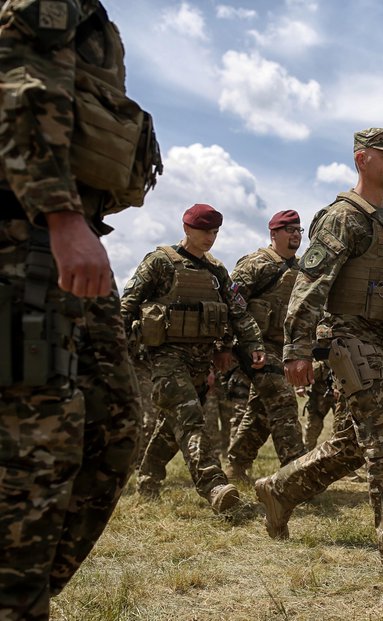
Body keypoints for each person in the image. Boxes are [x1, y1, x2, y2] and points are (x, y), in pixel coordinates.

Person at [0, 2, 162, 618]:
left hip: (65, 242)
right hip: (26, 238)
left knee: (114, 429)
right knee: (33, 459)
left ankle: (27, 596)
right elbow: (15, 80)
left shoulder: (93, 17)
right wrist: (60, 215)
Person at [253, 128, 383, 577]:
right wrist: (297, 349)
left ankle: (280, 489)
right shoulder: (342, 217)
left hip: (381, 342)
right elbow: (309, 285)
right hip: (347, 339)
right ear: (362, 159)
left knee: (350, 447)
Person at [121, 204, 266, 513]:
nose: (210, 238)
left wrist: (252, 343)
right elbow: (128, 304)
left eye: (215, 232)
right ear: (187, 229)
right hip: (166, 357)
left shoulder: (216, 272)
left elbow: (237, 312)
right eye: (205, 231)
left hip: (201, 361)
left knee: (173, 425)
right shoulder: (160, 262)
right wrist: (115, 347)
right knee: (191, 420)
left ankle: (147, 479)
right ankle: (214, 487)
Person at [225, 210, 308, 482]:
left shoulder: (300, 271)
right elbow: (232, 306)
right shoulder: (255, 264)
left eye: (299, 230)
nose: (296, 234)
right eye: (289, 229)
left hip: (283, 351)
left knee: (260, 413)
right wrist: (227, 347)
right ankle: (296, 475)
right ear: (274, 234)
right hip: (255, 348)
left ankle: (237, 464)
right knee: (283, 401)